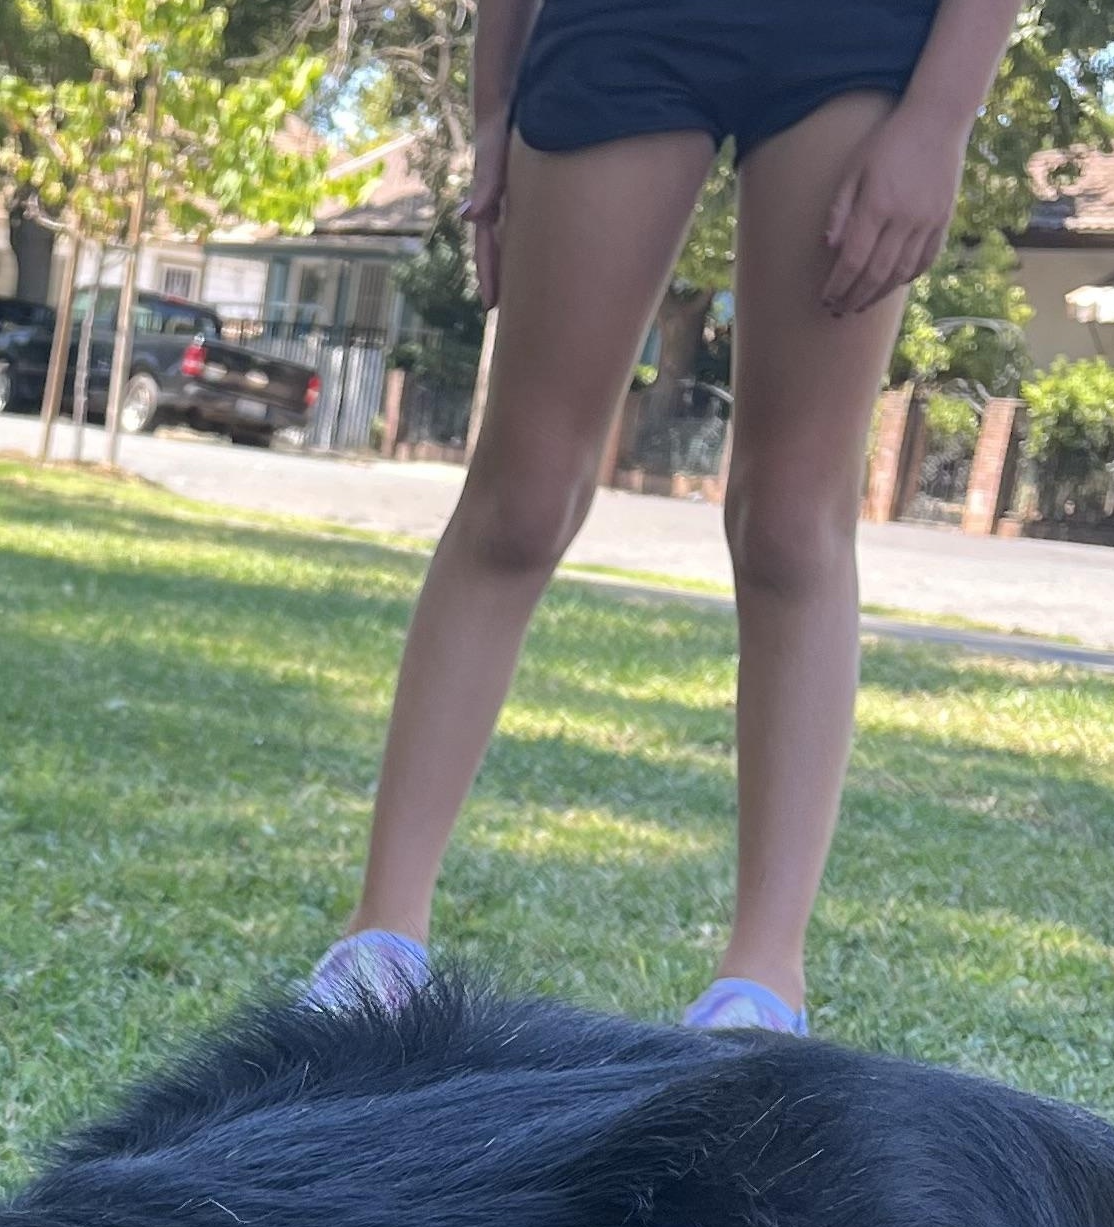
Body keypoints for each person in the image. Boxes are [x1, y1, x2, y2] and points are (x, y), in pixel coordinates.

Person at [313, 0, 1028, 1033]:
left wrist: (943, 116)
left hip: (858, 36)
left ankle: (762, 988)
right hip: (621, 25)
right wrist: (494, 110)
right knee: (519, 500)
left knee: (792, 522)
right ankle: (381, 941)